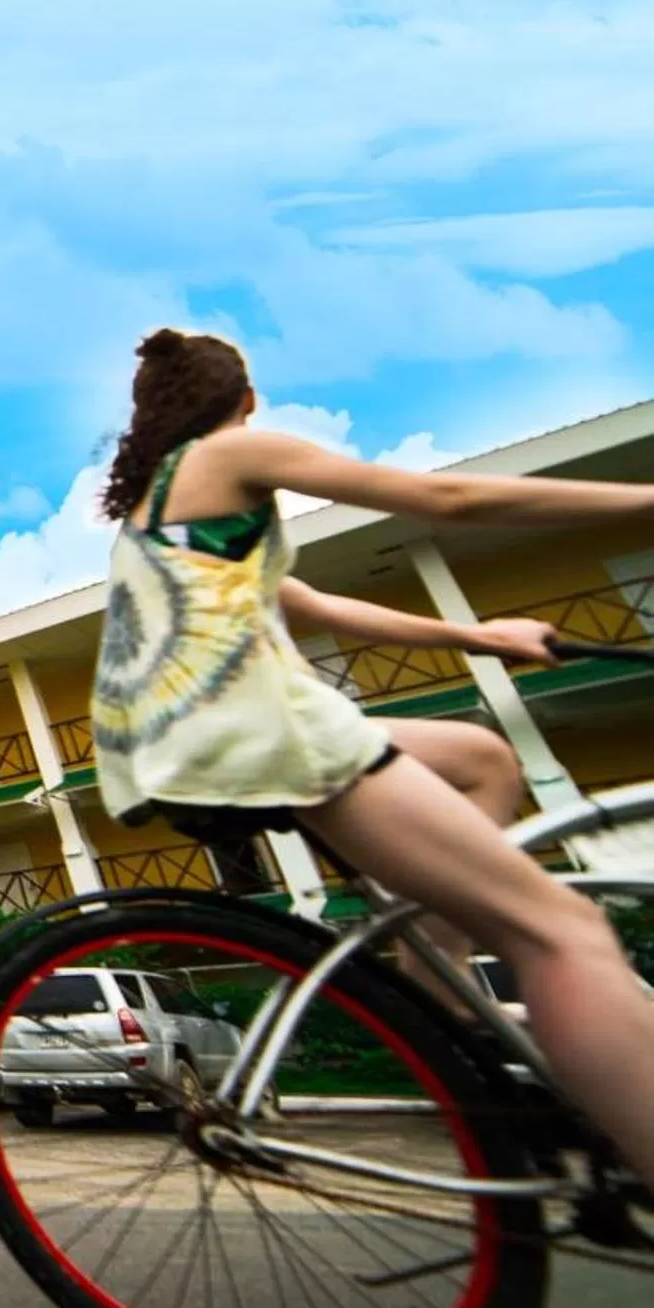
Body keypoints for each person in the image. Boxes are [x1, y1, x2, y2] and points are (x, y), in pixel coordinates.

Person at [91, 327, 654, 1185]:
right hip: (262, 727)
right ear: (243, 401)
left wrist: (478, 635)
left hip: (198, 740)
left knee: (480, 760)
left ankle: (432, 971)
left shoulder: (164, 513)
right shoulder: (228, 456)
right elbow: (449, 498)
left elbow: (320, 606)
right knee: (561, 930)